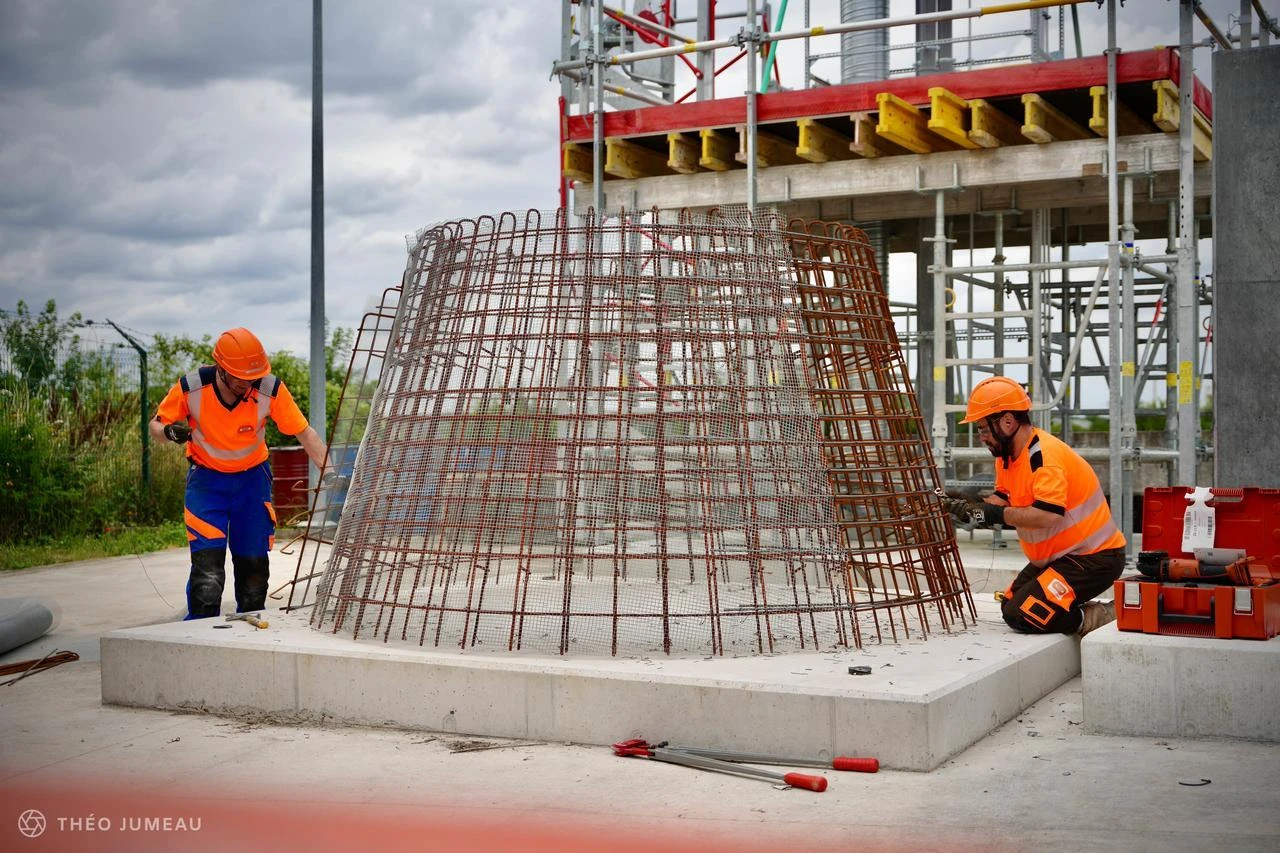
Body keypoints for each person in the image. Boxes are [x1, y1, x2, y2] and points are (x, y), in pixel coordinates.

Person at [150, 328, 328, 620]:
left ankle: (250, 637)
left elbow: (305, 434)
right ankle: (200, 634)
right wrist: (169, 432)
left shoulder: (269, 388)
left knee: (254, 572)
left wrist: (330, 473)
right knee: (207, 575)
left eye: (252, 378)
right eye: (241, 379)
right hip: (207, 484)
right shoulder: (192, 386)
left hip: (252, 482)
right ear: (221, 370)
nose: (248, 384)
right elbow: (155, 427)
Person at [960, 376, 1126, 637]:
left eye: (982, 429)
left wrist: (993, 513)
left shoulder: (1044, 457)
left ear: (1006, 421)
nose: (981, 437)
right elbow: (1002, 502)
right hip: (1060, 557)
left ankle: (1104, 616)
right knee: (1010, 604)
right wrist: (965, 505)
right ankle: (1068, 605)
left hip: (1094, 559)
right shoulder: (1007, 458)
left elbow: (1047, 515)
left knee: (1024, 614)